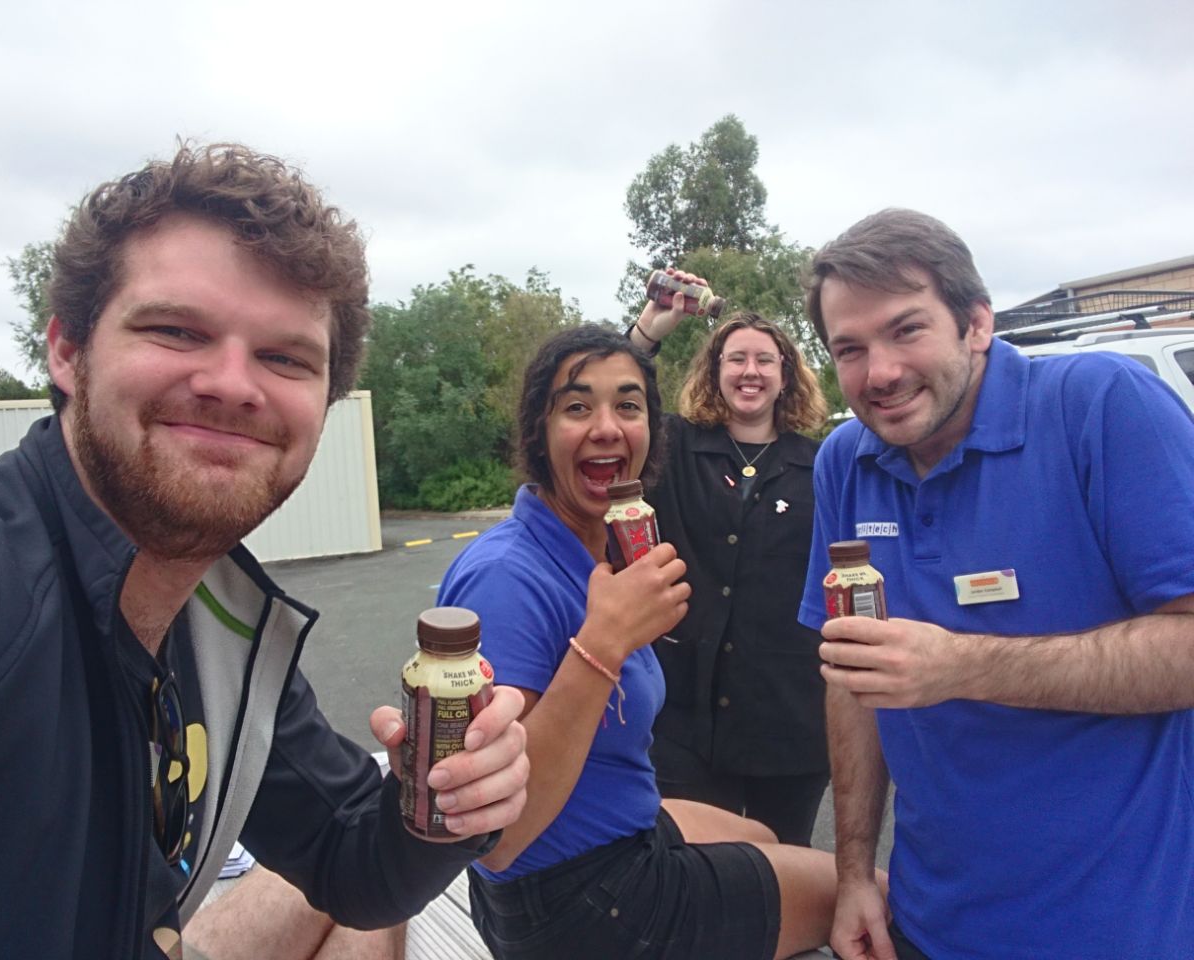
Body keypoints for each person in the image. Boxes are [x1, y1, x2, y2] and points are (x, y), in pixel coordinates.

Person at [0, 143, 529, 960]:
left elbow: (354, 864)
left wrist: (452, 802)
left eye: (283, 358)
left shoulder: (219, 619)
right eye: (176, 329)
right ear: (67, 351)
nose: (234, 383)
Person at [798, 208, 1194, 960]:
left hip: (1119, 931)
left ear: (977, 322)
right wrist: (854, 871)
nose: (879, 373)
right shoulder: (846, 461)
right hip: (925, 924)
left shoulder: (1100, 407)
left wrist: (962, 666)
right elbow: (851, 673)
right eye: (850, 348)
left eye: (906, 330)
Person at [437, 324, 848, 959]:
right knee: (860, 889)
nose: (606, 426)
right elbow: (496, 834)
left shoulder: (594, 551)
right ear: (537, 435)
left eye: (627, 406)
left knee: (766, 833)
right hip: (579, 902)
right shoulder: (506, 577)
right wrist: (603, 644)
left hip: (627, 833)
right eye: (577, 407)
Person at [625, 287, 832, 846]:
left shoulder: (821, 467)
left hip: (790, 721)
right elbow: (617, 398)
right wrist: (649, 330)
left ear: (786, 375)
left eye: (765, 360)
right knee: (688, 869)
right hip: (685, 722)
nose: (750, 371)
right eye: (736, 358)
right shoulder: (671, 447)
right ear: (714, 372)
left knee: (784, 874)